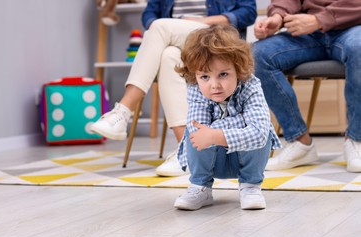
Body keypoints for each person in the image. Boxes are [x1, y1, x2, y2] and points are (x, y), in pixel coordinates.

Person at [90, 0, 257, 177]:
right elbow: (149, 14)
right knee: (169, 55)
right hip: (176, 38)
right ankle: (187, 150)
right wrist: (175, 25)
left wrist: (204, 22)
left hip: (217, 36)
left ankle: (123, 110)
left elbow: (248, 12)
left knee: (159, 27)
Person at [173, 24, 281, 211]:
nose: (214, 85)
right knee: (194, 134)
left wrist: (215, 134)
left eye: (223, 74)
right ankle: (200, 187)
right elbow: (199, 133)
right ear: (195, 76)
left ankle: (250, 186)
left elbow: (259, 134)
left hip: (246, 157)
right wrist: (239, 123)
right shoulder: (196, 89)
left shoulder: (251, 86)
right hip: (213, 160)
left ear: (238, 70)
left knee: (264, 133)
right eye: (205, 77)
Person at [253, 0, 361, 172]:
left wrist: (320, 19)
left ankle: (357, 139)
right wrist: (277, 17)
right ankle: (299, 141)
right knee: (257, 55)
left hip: (353, 27)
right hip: (308, 33)